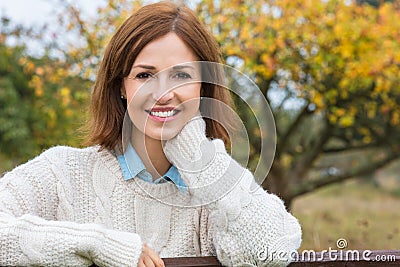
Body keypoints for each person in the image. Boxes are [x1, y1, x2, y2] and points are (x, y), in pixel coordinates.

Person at [0, 2, 301, 267]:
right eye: (145, 75)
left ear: (203, 86)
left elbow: (270, 251)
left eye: (181, 75)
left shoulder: (215, 191)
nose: (163, 94)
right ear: (121, 86)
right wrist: (97, 244)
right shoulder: (62, 173)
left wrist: (195, 152)